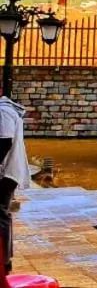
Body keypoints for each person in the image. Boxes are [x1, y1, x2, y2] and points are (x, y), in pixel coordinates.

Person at [0, 95, 28, 273]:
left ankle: (3, 261)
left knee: (0, 215)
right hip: (8, 171)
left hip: (5, 174)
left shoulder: (3, 111)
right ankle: (4, 260)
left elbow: (4, 143)